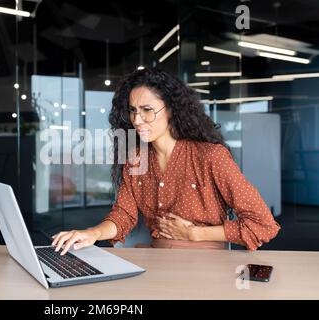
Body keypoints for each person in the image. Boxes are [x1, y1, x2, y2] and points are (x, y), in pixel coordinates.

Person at [52, 67, 281, 255]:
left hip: (208, 264)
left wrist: (195, 233)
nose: (137, 120)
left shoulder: (211, 157)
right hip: (158, 258)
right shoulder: (135, 160)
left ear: (171, 109)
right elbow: (124, 214)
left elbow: (262, 225)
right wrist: (92, 234)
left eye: (147, 110)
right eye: (133, 111)